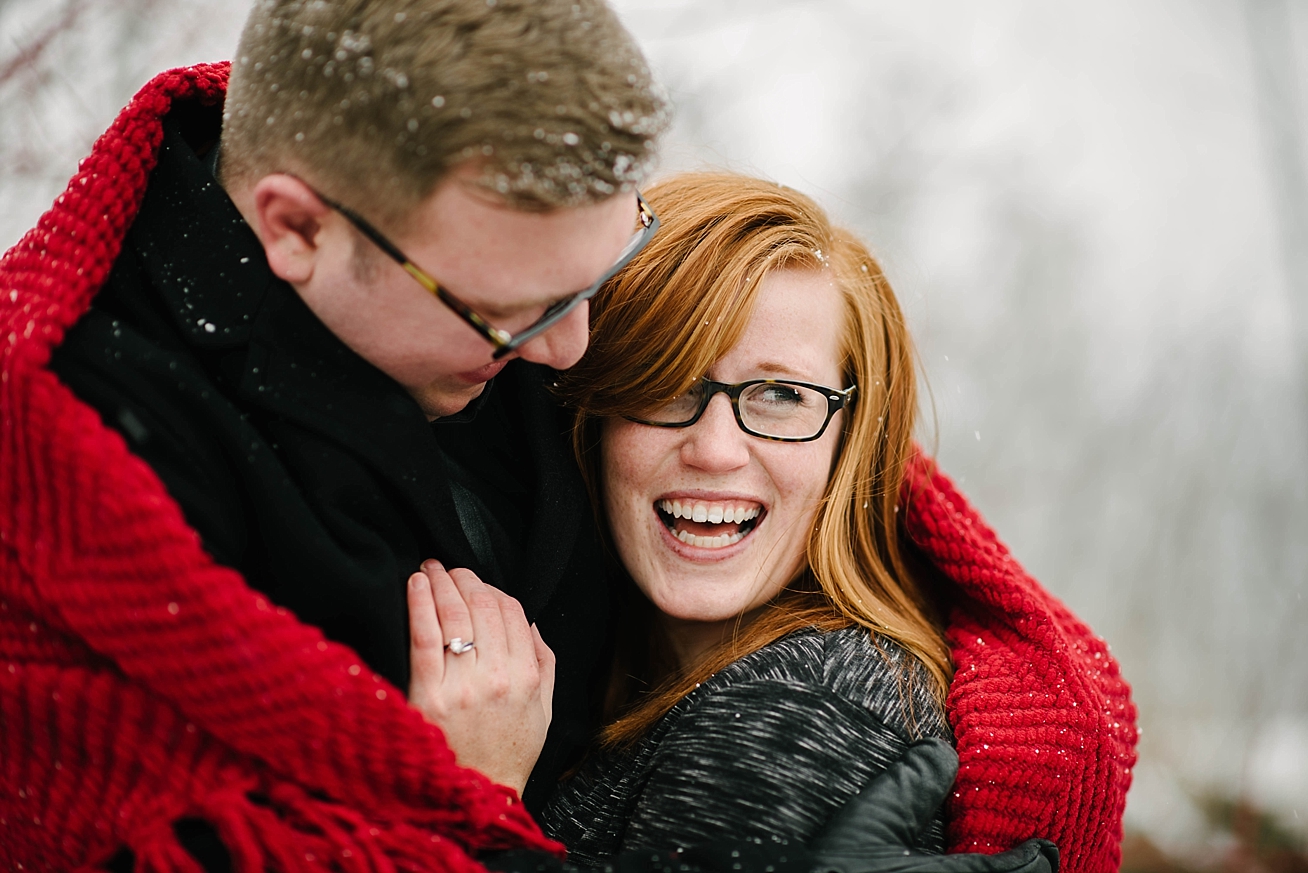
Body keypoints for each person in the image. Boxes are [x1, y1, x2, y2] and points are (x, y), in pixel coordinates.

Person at [0, 0, 1115, 870]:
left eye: (603, 283)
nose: (571, 352)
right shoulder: (92, 468)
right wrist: (463, 806)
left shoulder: (815, 688)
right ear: (295, 228)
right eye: (514, 311)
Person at [404, 174, 1137, 873]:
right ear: (589, 414)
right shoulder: (626, 665)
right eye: (668, 382)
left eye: (782, 394)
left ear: (851, 444)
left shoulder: (812, 702)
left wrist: (476, 798)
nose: (716, 448)